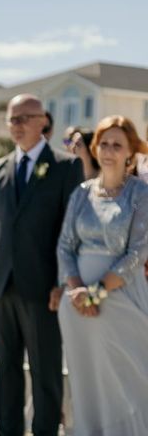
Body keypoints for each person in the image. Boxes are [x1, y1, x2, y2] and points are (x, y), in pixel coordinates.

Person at [0, 94, 83, 436]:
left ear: (44, 122)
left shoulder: (66, 166)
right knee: (6, 373)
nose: (17, 125)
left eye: (24, 118)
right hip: (4, 289)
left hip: (45, 290)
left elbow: (70, 231)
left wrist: (62, 282)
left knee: (46, 374)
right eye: (12, 119)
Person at [57, 115, 148, 435]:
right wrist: (78, 291)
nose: (109, 150)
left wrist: (96, 293)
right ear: (95, 148)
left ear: (130, 152)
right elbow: (65, 246)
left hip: (121, 299)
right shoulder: (81, 193)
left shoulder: (141, 193)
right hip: (77, 304)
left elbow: (138, 252)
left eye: (117, 144)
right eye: (104, 143)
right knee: (87, 380)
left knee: (128, 382)